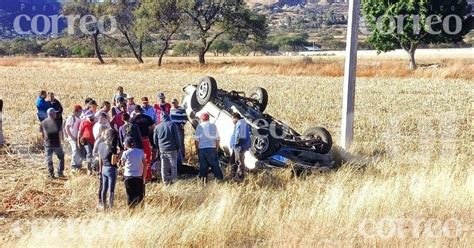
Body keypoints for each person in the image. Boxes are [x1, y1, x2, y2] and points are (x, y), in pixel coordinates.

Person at [194, 112, 223, 181]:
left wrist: (197, 149)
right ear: (208, 118)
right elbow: (217, 139)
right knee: (215, 165)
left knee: (203, 166)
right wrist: (217, 148)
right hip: (211, 148)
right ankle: (219, 179)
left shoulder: (199, 126)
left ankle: (203, 180)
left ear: (201, 119)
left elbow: (196, 140)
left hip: (202, 149)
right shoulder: (213, 125)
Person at [153, 112, 181, 185]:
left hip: (162, 149)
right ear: (168, 117)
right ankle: (174, 181)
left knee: (164, 166)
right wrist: (178, 147)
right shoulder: (172, 125)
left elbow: (155, 140)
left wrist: (158, 147)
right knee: (173, 166)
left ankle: (165, 182)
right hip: (172, 148)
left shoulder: (157, 127)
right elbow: (177, 138)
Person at [120, 137, 146, 208]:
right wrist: (144, 175)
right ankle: (140, 210)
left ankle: (131, 210)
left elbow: (122, 163)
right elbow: (145, 164)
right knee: (140, 194)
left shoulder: (125, 153)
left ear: (126, 145)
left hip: (128, 176)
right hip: (139, 176)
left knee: (130, 195)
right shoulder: (140, 152)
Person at [131, 106, 155, 183]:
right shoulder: (148, 118)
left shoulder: (133, 120)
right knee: (147, 158)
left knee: (138, 158)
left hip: (136, 142)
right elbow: (152, 128)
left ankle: (139, 176)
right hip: (146, 139)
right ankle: (147, 176)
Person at [41, 108, 65, 179]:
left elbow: (42, 133)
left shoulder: (43, 122)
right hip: (57, 144)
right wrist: (61, 141)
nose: (56, 114)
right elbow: (60, 133)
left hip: (48, 144)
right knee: (61, 157)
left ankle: (51, 174)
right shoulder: (57, 122)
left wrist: (44, 141)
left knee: (49, 159)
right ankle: (60, 173)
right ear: (51, 114)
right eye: (54, 113)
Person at [98, 128, 118, 210]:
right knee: (111, 189)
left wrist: (100, 169)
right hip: (111, 168)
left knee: (104, 188)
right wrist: (118, 156)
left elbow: (100, 159)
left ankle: (103, 204)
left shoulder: (100, 145)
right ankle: (111, 206)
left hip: (104, 168)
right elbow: (113, 162)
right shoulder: (112, 147)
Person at [230, 113, 251, 181]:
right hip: (240, 146)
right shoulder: (242, 122)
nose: (232, 121)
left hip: (239, 147)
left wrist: (236, 143)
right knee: (234, 160)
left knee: (239, 162)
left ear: (236, 118)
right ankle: (233, 175)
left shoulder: (240, 123)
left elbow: (240, 136)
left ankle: (240, 177)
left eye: (232, 119)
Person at [65, 105, 83, 173]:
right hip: (73, 137)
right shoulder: (71, 117)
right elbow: (67, 127)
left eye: (81, 111)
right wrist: (71, 136)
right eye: (79, 111)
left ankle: (78, 165)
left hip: (77, 137)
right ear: (75, 111)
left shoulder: (79, 118)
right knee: (75, 150)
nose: (80, 112)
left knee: (79, 151)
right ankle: (73, 166)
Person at [170, 98, 187, 170]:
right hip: (172, 128)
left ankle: (182, 156)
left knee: (180, 142)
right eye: (172, 103)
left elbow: (185, 118)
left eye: (175, 102)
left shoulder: (182, 109)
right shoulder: (170, 110)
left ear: (177, 102)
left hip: (179, 127)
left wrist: (182, 123)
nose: (173, 104)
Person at [78, 111, 96, 175]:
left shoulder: (95, 122)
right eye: (90, 117)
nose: (91, 118)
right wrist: (78, 141)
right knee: (89, 153)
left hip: (94, 140)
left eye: (92, 117)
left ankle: (94, 168)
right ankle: (89, 169)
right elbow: (80, 132)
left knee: (94, 154)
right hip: (86, 140)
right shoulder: (84, 122)